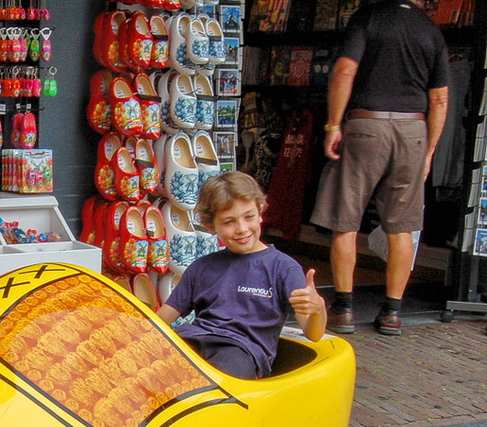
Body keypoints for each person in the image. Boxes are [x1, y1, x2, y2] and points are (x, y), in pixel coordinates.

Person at [310, 0, 450, 336]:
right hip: (413, 131)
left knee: (346, 220)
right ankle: (392, 312)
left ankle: (343, 308)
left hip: (366, 125)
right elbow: (440, 99)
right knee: (401, 226)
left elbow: (344, 70)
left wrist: (333, 125)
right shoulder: (431, 31)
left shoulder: (368, 17)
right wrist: (429, 151)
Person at [157, 171, 327, 380]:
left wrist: (318, 308)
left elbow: (313, 333)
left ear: (261, 211)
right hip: (193, 339)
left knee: (218, 380)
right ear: (211, 226)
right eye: (229, 222)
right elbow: (161, 321)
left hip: (242, 351)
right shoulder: (202, 267)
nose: (242, 229)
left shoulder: (283, 268)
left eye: (249, 217)